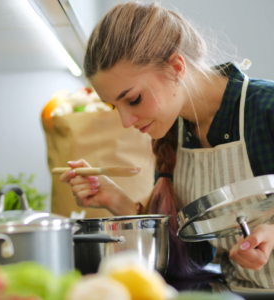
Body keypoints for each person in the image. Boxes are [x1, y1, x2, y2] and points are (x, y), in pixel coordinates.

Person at [60, 1, 274, 289]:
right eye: (114, 106)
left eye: (133, 99)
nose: (125, 121)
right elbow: (192, 254)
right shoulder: (172, 134)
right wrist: (117, 200)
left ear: (176, 68)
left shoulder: (265, 108)